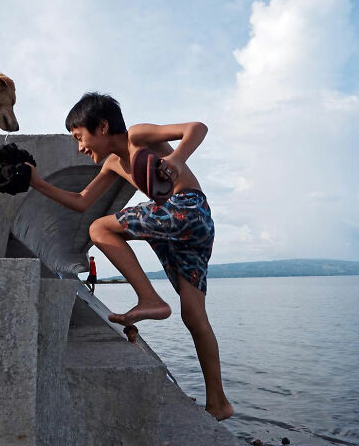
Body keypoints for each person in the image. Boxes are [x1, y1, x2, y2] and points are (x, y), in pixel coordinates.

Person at [27, 92, 233, 421]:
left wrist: (177, 160)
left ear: (103, 126)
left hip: (187, 208)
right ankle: (218, 403)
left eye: (80, 137)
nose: (80, 147)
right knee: (194, 316)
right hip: (191, 227)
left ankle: (149, 299)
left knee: (100, 228)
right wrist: (37, 183)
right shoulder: (111, 164)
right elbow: (81, 200)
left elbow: (197, 127)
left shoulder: (138, 135)